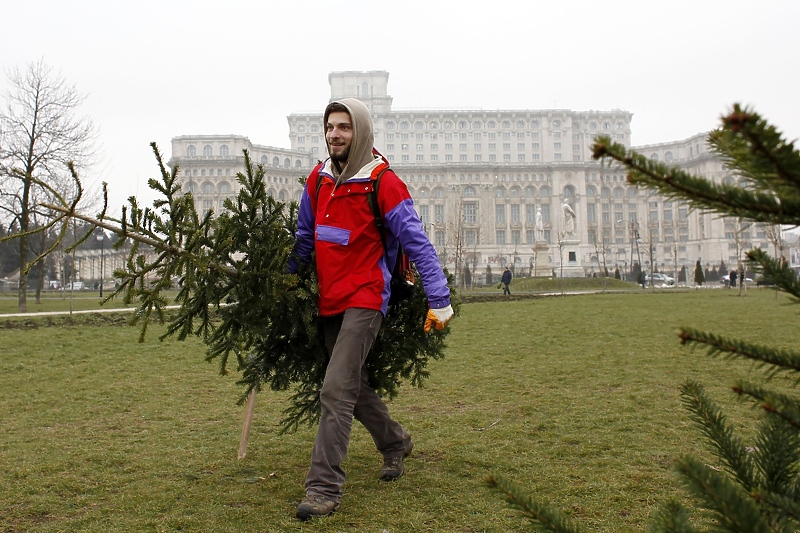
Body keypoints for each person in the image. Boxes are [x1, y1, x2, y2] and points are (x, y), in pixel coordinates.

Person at [289, 98, 453, 520]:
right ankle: (396, 442)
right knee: (353, 387)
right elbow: (306, 238)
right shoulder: (318, 180)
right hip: (331, 300)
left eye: (344, 127)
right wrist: (283, 282)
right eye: (329, 127)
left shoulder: (383, 181)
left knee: (335, 390)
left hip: (366, 298)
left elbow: (418, 243)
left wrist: (440, 299)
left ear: (359, 131)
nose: (335, 135)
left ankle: (323, 488)